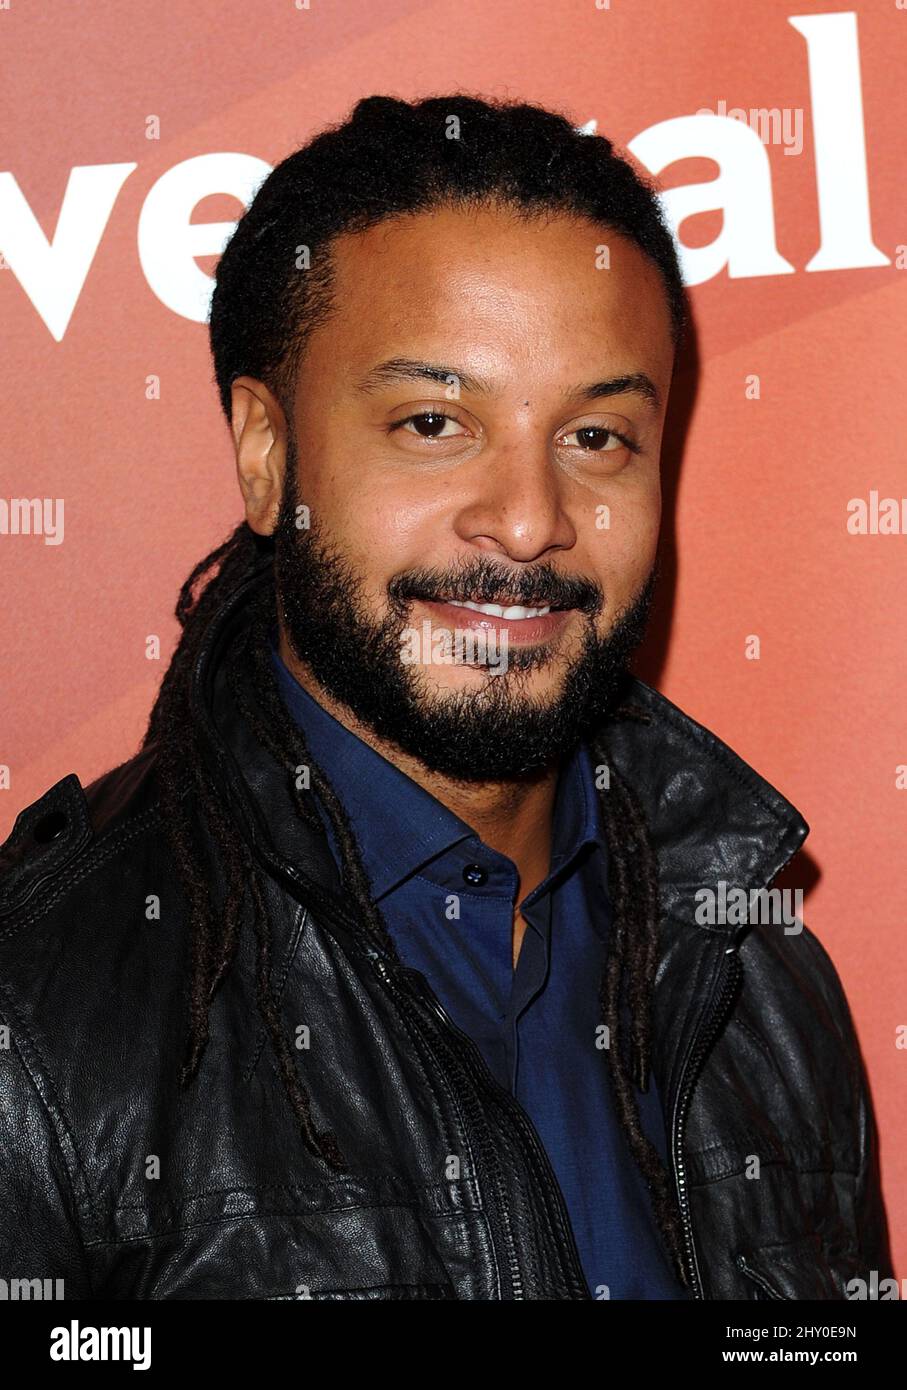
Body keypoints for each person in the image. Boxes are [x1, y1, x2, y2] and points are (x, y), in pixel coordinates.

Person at [0, 93, 893, 1301]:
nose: (528, 519)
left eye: (596, 437)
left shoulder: (754, 981)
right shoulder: (43, 1014)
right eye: (433, 422)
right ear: (269, 455)